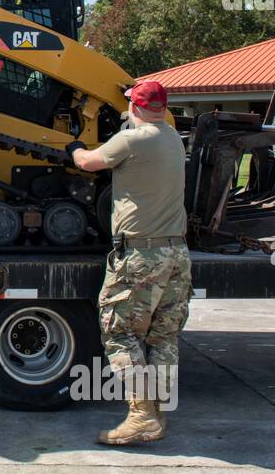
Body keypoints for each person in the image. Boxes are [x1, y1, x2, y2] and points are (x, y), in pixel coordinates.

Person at [66, 79, 190, 445]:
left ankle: (140, 416)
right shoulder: (172, 138)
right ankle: (158, 413)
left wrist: (73, 147)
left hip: (141, 254)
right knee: (163, 336)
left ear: (135, 107)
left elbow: (89, 162)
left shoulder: (132, 140)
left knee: (120, 332)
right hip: (176, 253)